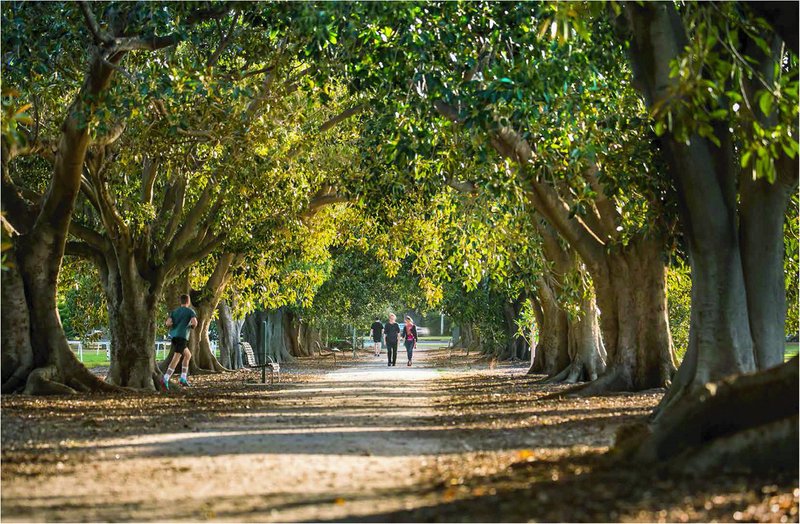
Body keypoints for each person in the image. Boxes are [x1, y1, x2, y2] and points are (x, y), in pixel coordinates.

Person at [162, 294, 198, 390]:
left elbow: (168, 323)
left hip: (174, 337)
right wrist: (190, 326)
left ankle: (183, 378)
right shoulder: (190, 311)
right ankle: (165, 378)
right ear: (188, 301)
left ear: (180, 301)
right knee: (176, 358)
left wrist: (174, 325)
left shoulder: (174, 311)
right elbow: (195, 323)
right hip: (182, 337)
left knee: (188, 355)